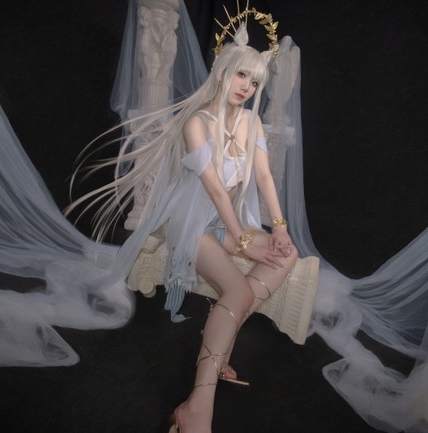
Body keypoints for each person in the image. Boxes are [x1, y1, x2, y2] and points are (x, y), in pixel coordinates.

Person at [68, 22, 297, 432]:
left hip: (227, 223)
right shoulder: (197, 122)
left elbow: (264, 177)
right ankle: (197, 406)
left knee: (288, 253)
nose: (247, 87)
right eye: (241, 74)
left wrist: (278, 228)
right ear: (223, 70)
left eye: (255, 81)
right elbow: (215, 190)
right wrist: (245, 241)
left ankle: (219, 336)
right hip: (193, 222)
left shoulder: (252, 123)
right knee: (240, 291)